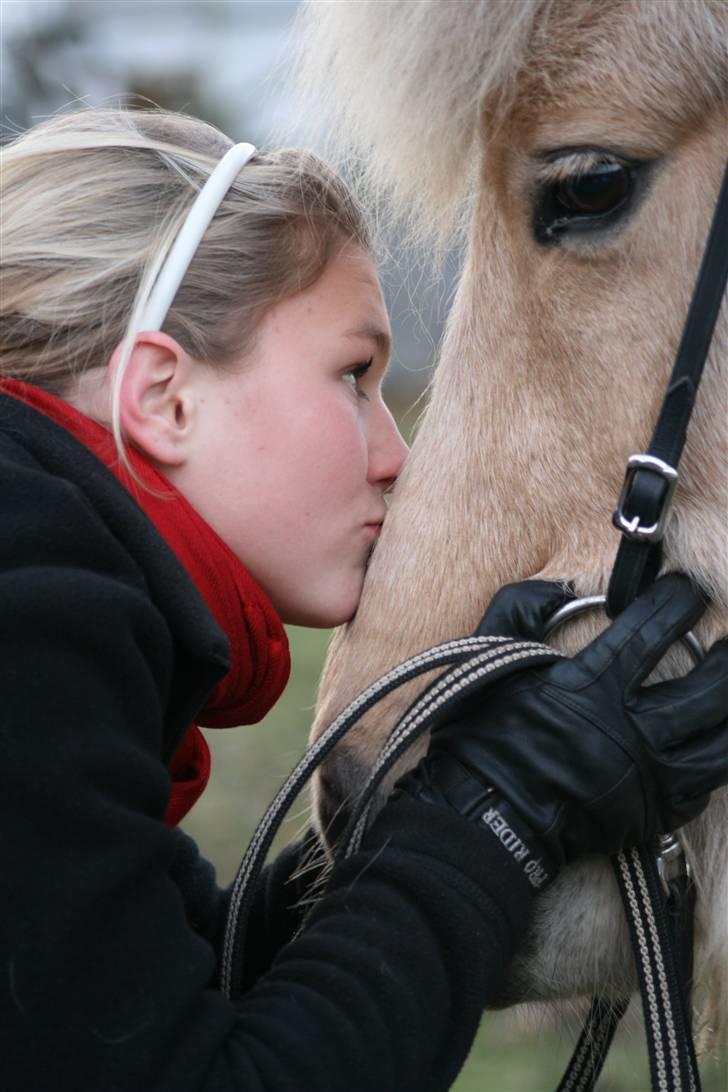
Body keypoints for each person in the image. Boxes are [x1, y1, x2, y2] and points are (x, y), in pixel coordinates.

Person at [1, 108, 726, 1092]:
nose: (396, 457)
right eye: (353, 375)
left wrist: (463, 785)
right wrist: (510, 796)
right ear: (163, 399)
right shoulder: (33, 632)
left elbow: (166, 1011)